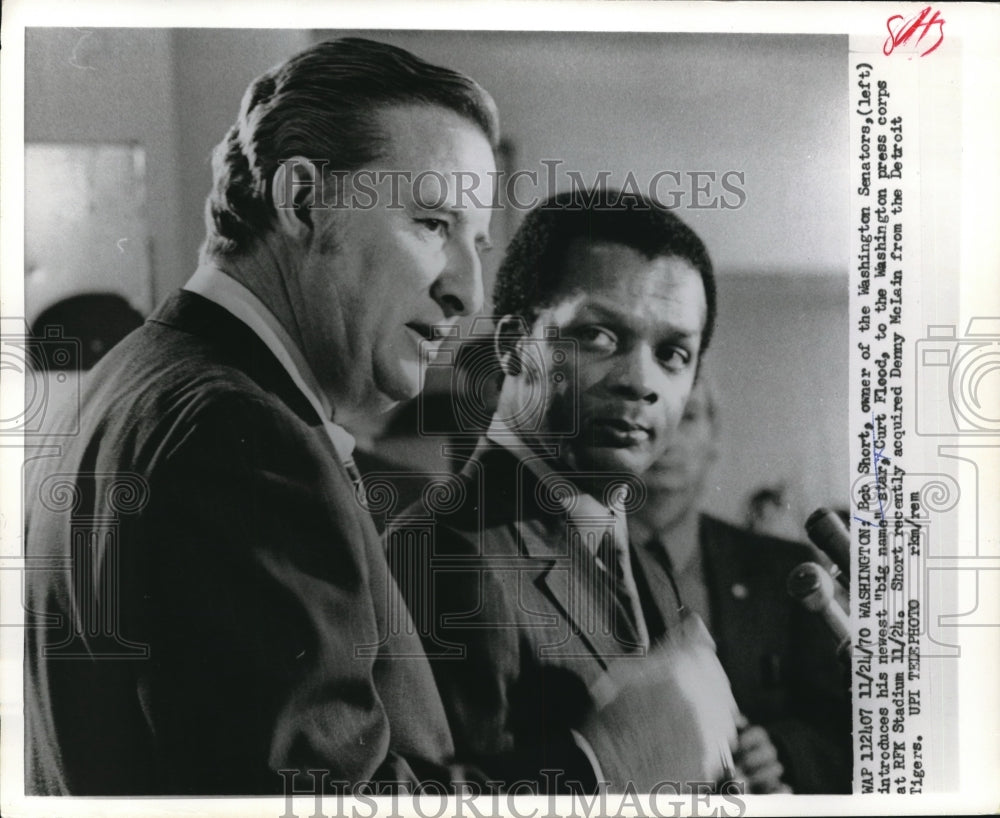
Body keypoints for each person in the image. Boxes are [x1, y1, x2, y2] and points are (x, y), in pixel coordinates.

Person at [23, 37, 498, 795]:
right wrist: (606, 766)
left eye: (479, 241)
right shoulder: (241, 437)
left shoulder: (137, 380)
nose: (468, 292)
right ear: (304, 200)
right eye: (434, 224)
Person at [388, 189, 741, 793]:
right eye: (600, 337)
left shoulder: (643, 559)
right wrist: (604, 764)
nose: (641, 382)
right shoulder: (439, 552)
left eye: (673, 354)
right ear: (511, 345)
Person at [629, 379, 853, 793]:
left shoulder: (786, 570)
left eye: (687, 416)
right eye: (651, 414)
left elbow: (845, 729)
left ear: (714, 438)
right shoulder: (560, 569)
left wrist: (783, 752)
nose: (668, 436)